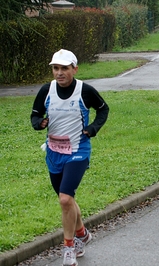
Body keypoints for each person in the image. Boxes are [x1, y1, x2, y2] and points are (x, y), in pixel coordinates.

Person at [30, 49, 109, 266]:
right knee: (67, 200)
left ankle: (68, 247)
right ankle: (82, 233)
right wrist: (39, 123)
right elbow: (35, 115)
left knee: (65, 198)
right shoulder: (47, 90)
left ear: (74, 69)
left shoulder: (85, 90)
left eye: (64, 68)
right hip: (54, 153)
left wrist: (93, 128)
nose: (59, 73)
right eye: (56, 68)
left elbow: (103, 109)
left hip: (78, 151)